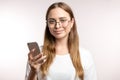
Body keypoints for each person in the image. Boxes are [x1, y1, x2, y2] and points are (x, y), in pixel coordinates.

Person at [25, 2, 97, 80]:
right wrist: (33, 71)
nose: (57, 26)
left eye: (62, 20)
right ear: (47, 24)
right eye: (52, 21)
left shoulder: (85, 56)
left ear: (72, 22)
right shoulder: (38, 55)